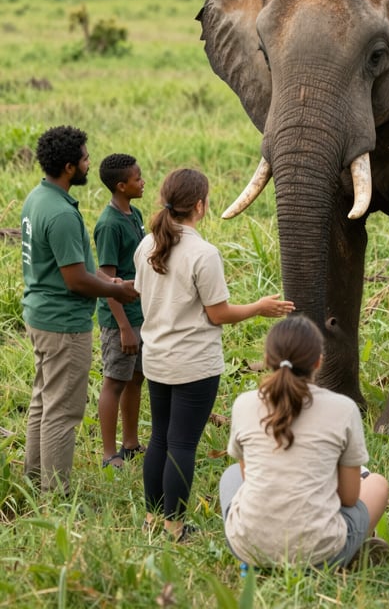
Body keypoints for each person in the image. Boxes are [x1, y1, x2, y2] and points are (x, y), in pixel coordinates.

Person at [134, 168, 295, 542]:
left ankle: (151, 519)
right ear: (201, 206)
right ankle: (175, 527)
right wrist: (259, 306)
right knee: (182, 443)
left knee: (160, 437)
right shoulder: (204, 253)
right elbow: (218, 313)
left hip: (156, 359)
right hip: (193, 364)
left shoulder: (146, 245)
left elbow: (142, 294)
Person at [21, 125, 139, 495]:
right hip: (64, 324)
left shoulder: (37, 198)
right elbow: (76, 280)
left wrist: (113, 285)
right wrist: (118, 291)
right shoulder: (61, 215)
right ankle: (57, 495)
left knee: (43, 401)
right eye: (86, 158)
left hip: (40, 315)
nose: (91, 164)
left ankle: (35, 479)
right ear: (70, 167)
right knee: (63, 412)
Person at [219, 314, 389, 568]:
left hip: (248, 547)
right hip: (321, 551)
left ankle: (261, 557)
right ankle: (348, 554)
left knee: (231, 475)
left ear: (267, 360)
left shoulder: (244, 404)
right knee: (377, 484)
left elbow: (247, 479)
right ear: (319, 361)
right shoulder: (343, 408)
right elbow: (350, 498)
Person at [94, 153, 147, 470]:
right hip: (121, 320)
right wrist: (124, 327)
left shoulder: (134, 213)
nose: (143, 182)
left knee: (136, 379)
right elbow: (107, 280)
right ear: (121, 185)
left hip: (141, 314)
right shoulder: (109, 224)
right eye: (138, 179)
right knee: (114, 380)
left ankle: (130, 443)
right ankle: (109, 452)